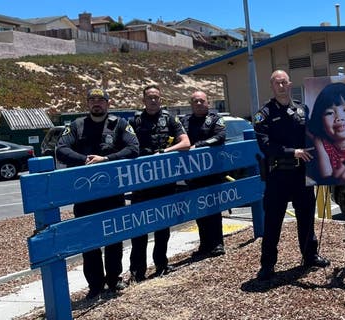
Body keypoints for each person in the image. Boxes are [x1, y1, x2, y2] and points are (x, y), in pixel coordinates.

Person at [56, 88, 140, 299]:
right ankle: (95, 285)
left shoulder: (119, 124)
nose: (97, 104)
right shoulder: (76, 125)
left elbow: (133, 148)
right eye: (92, 100)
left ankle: (114, 280)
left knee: (114, 238)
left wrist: (106, 160)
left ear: (107, 104)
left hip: (112, 192)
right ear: (87, 104)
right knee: (89, 240)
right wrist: (85, 160)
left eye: (101, 100)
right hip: (85, 194)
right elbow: (61, 149)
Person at [253, 70, 330, 281]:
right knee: (273, 221)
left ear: (290, 84)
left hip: (302, 173)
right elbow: (265, 145)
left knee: (306, 217)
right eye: (276, 83)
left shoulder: (302, 109)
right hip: (278, 173)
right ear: (272, 86)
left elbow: (314, 135)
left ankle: (310, 255)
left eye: (284, 82)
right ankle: (267, 264)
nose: (281, 86)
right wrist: (292, 151)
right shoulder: (264, 114)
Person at [129, 84, 190, 281]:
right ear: (143, 100)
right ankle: (137, 271)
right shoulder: (134, 121)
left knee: (163, 226)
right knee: (140, 228)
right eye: (149, 97)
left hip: (164, 182)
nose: (153, 100)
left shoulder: (170, 119)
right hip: (141, 183)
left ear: (160, 99)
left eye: (156, 97)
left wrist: (164, 152)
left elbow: (185, 143)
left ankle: (161, 264)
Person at [180, 90, 227, 259]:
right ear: (191, 104)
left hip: (211, 172)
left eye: (201, 101)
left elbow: (220, 137)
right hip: (192, 174)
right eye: (195, 101)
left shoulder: (215, 119)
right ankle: (205, 244)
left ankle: (217, 243)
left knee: (214, 209)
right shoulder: (184, 121)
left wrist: (198, 146)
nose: (198, 104)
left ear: (208, 102)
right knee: (199, 210)